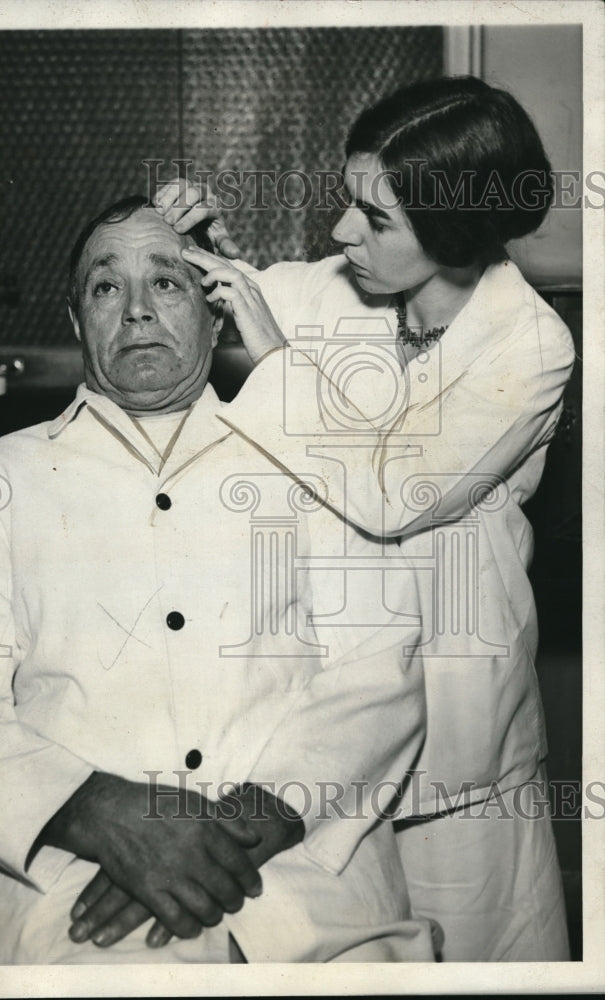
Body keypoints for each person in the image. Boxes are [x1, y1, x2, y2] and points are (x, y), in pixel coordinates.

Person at [0, 196, 438, 965]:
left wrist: (233, 831)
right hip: (87, 900)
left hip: (305, 883)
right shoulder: (3, 482)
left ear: (217, 316)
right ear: (77, 322)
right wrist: (100, 816)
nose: (138, 311)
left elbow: (379, 668)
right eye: (106, 287)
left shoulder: (306, 456)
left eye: (168, 283)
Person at [154, 75, 576, 961]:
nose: (344, 232)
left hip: (454, 713)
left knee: (475, 948)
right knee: (349, 951)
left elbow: (392, 493)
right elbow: (255, 294)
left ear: (455, 231)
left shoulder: (528, 344)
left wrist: (271, 352)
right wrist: (199, 247)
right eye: (348, 202)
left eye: (376, 220)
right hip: (326, 711)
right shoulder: (341, 287)